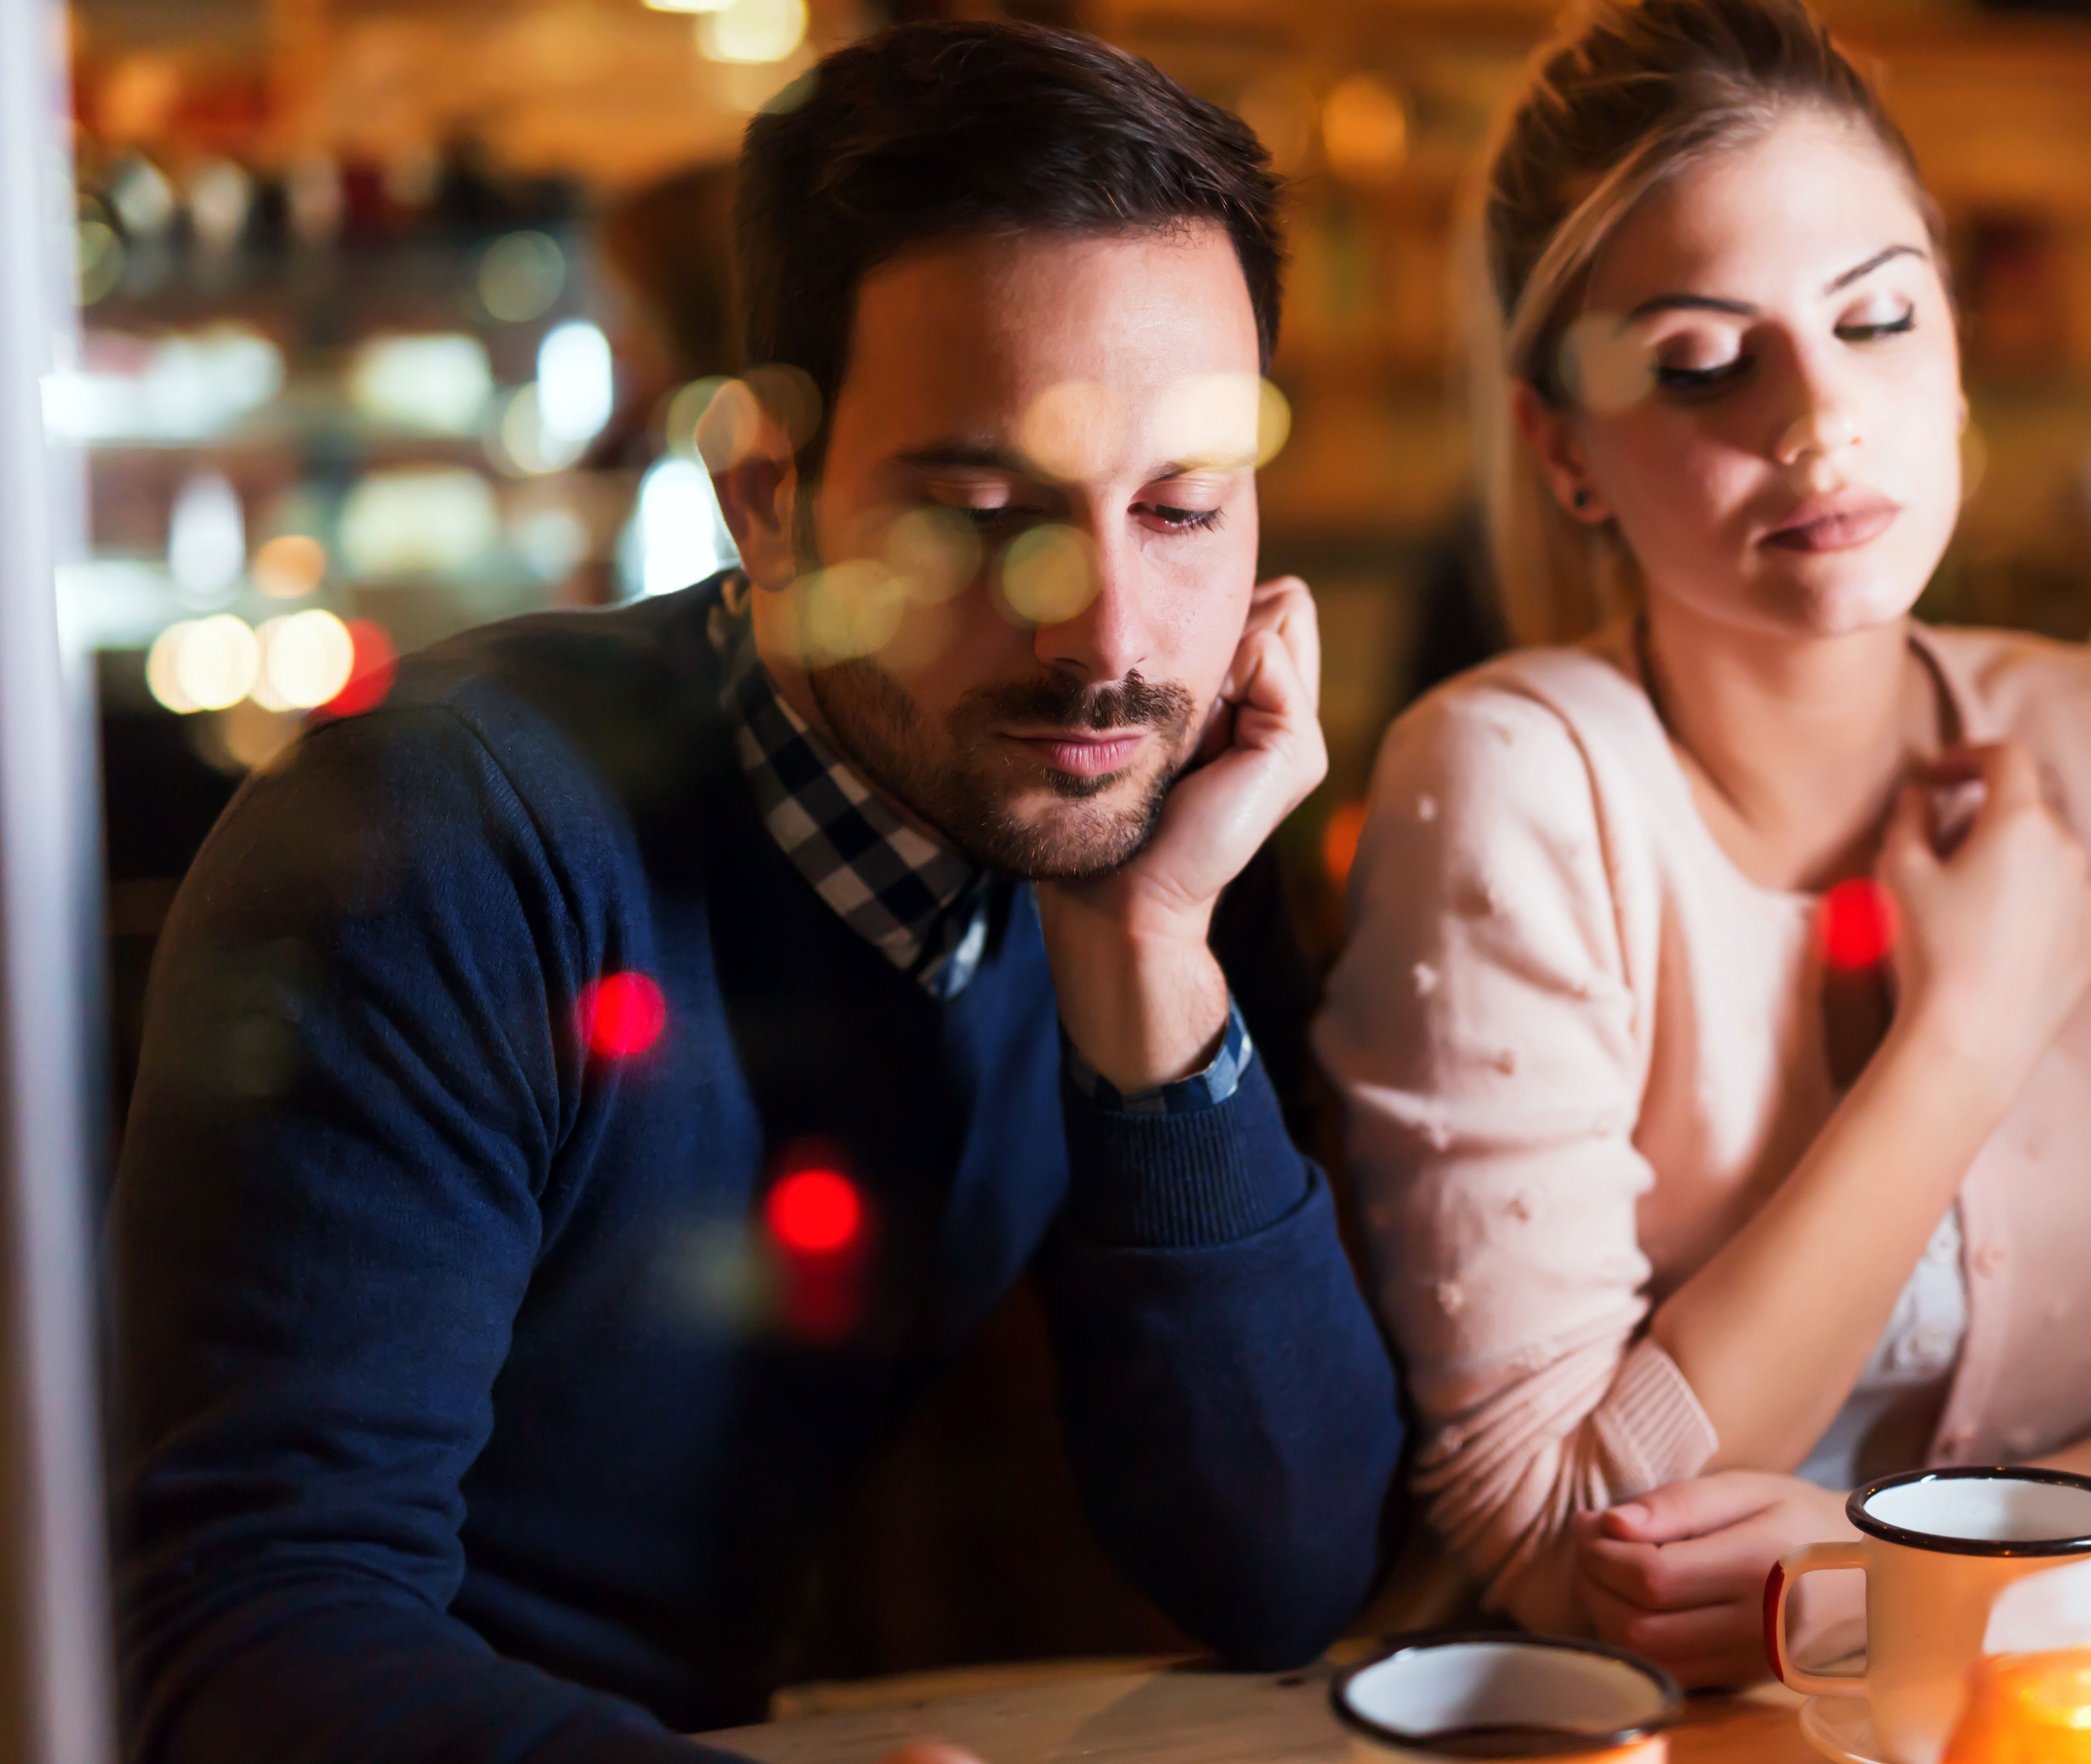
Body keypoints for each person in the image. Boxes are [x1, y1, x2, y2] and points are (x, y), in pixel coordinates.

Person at [109, 23, 1403, 1763]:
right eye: (977, 514)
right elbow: (240, 1634)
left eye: (1182, 511)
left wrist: (1147, 948)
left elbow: (1286, 1567)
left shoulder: (1146, 817)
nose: (1106, 638)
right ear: (768, 504)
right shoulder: (438, 846)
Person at [1316, 0, 2091, 1690]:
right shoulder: (1511, 784)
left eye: (1879, 320)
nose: (1821, 422)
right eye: (1702, 362)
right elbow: (1551, 1537)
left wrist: (1892, 1576)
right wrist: (1967, 1035)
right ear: (1565, 451)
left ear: (1958, 348)